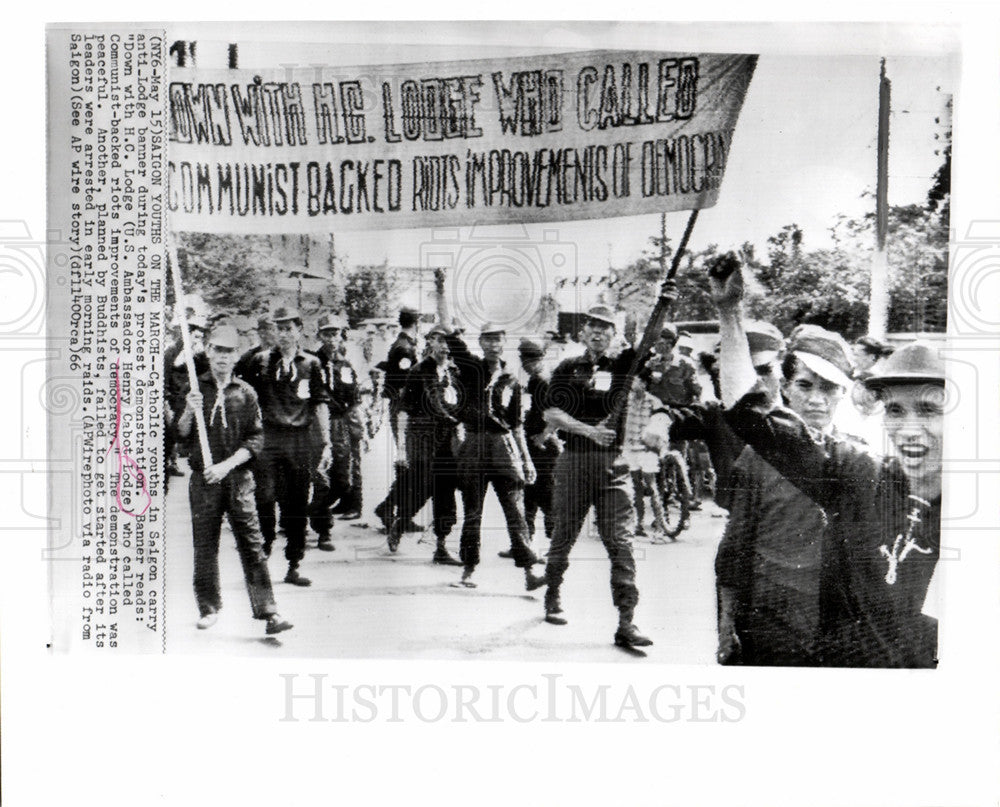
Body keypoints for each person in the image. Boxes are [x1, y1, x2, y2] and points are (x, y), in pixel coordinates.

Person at [712, 260, 942, 668]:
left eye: (928, 410)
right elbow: (751, 414)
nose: (910, 429)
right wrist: (730, 315)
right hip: (793, 631)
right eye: (895, 411)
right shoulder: (861, 473)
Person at [715, 322, 857, 666]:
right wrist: (726, 621)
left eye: (829, 388)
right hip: (771, 612)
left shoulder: (859, 458)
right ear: (787, 388)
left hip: (837, 619)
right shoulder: (756, 457)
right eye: (805, 386)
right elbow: (735, 546)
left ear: (843, 393)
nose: (816, 400)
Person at [542, 304, 655, 648]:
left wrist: (659, 300)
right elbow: (551, 412)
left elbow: (649, 338)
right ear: (583, 332)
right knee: (564, 536)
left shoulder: (623, 366)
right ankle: (553, 593)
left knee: (621, 543)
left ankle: (626, 621)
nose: (599, 332)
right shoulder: (566, 367)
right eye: (593, 326)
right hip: (574, 461)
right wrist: (590, 432)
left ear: (614, 334)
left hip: (613, 467)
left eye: (606, 328)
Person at [175, 324, 293, 636]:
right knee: (205, 546)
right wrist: (189, 411)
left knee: (252, 545)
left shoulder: (246, 393)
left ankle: (268, 611)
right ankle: (209, 608)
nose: (223, 357)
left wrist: (226, 466)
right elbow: (180, 434)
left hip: (237, 478)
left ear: (236, 356)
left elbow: (255, 441)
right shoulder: (194, 389)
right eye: (217, 350)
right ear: (208, 352)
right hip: (204, 481)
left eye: (229, 352)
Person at [441, 320, 547, 592]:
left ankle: (529, 572)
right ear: (480, 343)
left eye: (497, 339)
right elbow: (451, 333)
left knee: (515, 511)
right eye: (487, 339)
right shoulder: (471, 368)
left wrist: (526, 460)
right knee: (473, 511)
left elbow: (516, 424)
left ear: (504, 343)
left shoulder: (511, 378)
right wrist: (441, 289)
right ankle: (468, 570)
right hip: (474, 445)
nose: (492, 344)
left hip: (503, 447)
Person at [246, 306, 331, 587]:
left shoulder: (312, 363)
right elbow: (245, 397)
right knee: (265, 497)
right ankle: (265, 550)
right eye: (278, 329)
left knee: (296, 502)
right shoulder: (259, 361)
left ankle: (294, 563)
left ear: (299, 331)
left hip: (299, 440)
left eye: (288, 328)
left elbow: (319, 404)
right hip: (268, 439)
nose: (283, 334)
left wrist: (326, 442)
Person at [385, 323, 464, 566]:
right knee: (420, 490)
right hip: (423, 441)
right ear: (429, 341)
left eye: (447, 341)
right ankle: (400, 523)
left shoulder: (455, 373)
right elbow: (403, 411)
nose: (443, 346)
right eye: (438, 340)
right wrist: (400, 448)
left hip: (449, 443)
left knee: (446, 495)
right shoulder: (419, 371)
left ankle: (440, 547)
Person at [308, 313, 360, 550]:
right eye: (327, 334)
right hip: (317, 424)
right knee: (322, 479)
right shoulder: (309, 363)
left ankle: (308, 511)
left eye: (335, 334)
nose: (331, 339)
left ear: (341, 336)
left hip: (340, 425)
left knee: (343, 481)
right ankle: (323, 531)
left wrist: (361, 430)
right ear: (319, 335)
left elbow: (354, 400)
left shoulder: (345, 366)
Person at [373, 307, 420, 532]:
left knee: (411, 461)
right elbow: (404, 382)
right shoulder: (404, 347)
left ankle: (400, 512)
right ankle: (394, 510)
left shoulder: (403, 344)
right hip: (404, 409)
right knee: (409, 461)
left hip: (404, 407)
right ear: (417, 322)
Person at [515, 337, 561, 555]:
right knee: (531, 494)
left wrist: (543, 435)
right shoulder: (539, 379)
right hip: (536, 443)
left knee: (546, 495)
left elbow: (556, 413)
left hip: (543, 446)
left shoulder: (541, 380)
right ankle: (526, 542)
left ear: (528, 360)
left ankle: (555, 544)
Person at [235, 315, 278, 384]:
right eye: (272, 329)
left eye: (277, 329)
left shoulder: (284, 355)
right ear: (261, 333)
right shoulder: (248, 357)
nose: (277, 333)